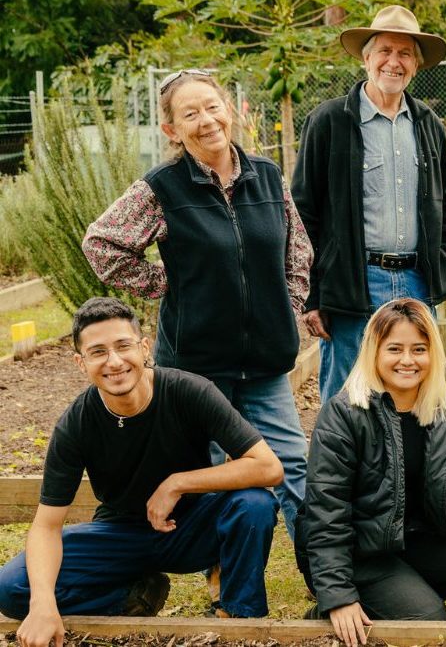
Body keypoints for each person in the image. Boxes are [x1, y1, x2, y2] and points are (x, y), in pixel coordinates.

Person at [82, 69, 311, 541]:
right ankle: (218, 578)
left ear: (228, 110)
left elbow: (299, 250)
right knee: (205, 474)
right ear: (172, 130)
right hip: (197, 369)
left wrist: (285, 306)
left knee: (292, 468)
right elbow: (101, 244)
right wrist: (166, 282)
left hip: (267, 364)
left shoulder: (266, 176)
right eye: (191, 114)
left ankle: (326, 581)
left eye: (212, 107)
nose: (206, 121)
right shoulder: (161, 188)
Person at [0, 297, 283, 646]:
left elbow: (268, 467)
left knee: (254, 504)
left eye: (123, 346)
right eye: (98, 351)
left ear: (144, 347)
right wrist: (43, 604)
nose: (114, 361)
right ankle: (136, 595)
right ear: (81, 362)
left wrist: (177, 483)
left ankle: (240, 616)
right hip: (120, 534)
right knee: (12, 589)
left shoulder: (189, 391)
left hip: (191, 528)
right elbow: (46, 526)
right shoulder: (76, 424)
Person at [296, 298, 446, 643]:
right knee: (431, 623)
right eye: (395, 348)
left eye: (419, 349)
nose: (408, 360)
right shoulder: (344, 414)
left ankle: (401, 592)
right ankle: (334, 608)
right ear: (375, 352)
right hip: (359, 553)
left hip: (410, 541)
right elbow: (326, 512)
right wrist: (338, 595)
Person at [293, 5, 446, 403]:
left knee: (412, 395)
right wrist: (313, 295)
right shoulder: (329, 122)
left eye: (405, 53)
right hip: (353, 282)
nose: (394, 62)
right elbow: (303, 216)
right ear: (366, 58)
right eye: (385, 51)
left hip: (415, 282)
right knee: (347, 397)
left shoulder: (428, 125)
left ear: (416, 65)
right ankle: (340, 468)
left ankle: (404, 468)